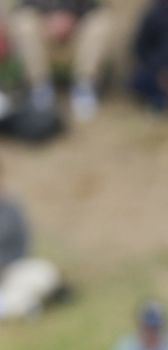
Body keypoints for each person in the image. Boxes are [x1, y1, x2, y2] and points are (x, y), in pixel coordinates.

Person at [7, 0, 113, 122]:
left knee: (102, 19)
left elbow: (96, 6)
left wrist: (71, 18)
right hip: (44, 33)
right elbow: (23, 5)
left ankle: (84, 86)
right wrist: (49, 18)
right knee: (23, 20)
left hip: (77, 35)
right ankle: (40, 88)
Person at [0, 160, 62, 320]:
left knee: (44, 274)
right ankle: (20, 305)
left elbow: (23, 244)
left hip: (12, 270)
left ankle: (17, 304)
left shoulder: (11, 207)